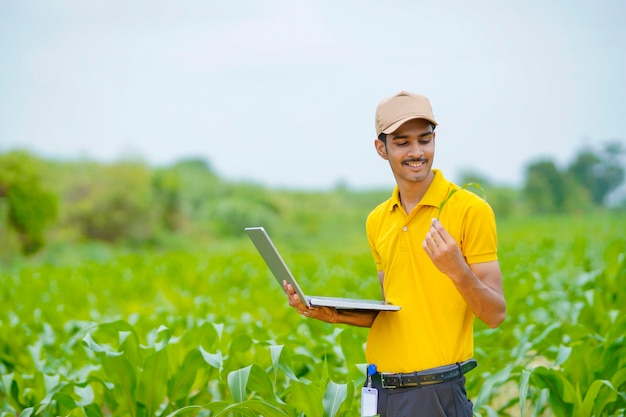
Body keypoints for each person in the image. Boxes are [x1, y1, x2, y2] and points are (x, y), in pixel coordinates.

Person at [284, 91, 506, 416]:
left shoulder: (470, 210)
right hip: (379, 393)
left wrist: (456, 269)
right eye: (402, 142)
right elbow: (395, 312)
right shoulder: (378, 219)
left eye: (424, 140)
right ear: (381, 148)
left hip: (433, 394)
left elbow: (495, 313)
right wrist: (330, 313)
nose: (416, 152)